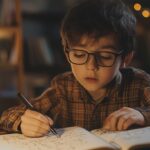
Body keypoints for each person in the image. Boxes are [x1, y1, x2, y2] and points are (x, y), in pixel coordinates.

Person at [0, 0, 150, 138]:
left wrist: (142, 115)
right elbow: (7, 116)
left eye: (104, 56)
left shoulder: (139, 83)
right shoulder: (62, 88)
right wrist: (23, 121)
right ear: (67, 53)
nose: (91, 66)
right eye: (79, 54)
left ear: (126, 59)